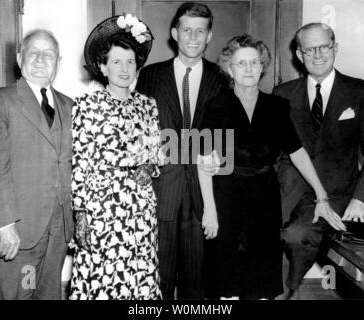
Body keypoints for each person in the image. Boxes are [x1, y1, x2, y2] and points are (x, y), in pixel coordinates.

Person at [197, 34, 341, 300]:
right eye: (241, 64)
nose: (249, 69)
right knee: (226, 277)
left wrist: (322, 196)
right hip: (225, 196)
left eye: (254, 62)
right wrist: (210, 211)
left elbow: (297, 153)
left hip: (264, 198)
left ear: (262, 66)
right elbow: (203, 163)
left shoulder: (277, 106)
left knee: (260, 279)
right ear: (230, 69)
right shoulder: (216, 107)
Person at [136, 2, 229, 299]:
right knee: (157, 276)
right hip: (161, 189)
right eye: (187, 30)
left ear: (209, 36)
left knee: (197, 279)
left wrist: (219, 155)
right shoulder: (149, 76)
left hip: (205, 193)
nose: (193, 37)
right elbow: (141, 135)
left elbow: (225, 137)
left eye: (200, 31)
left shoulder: (222, 78)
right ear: (175, 33)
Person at [273, 22, 364, 299]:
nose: (317, 54)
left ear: (335, 48)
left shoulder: (361, 92)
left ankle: (287, 293)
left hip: (338, 194)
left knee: (297, 235)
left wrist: (359, 199)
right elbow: (274, 152)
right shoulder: (282, 93)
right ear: (299, 55)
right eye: (309, 49)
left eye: (324, 47)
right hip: (288, 189)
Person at [70, 14, 162, 300]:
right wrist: (81, 214)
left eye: (130, 62)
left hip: (139, 210)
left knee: (139, 280)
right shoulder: (87, 105)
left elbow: (155, 153)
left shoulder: (148, 105)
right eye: (117, 61)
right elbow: (80, 162)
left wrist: (149, 167)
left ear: (137, 67)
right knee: (100, 280)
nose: (124, 68)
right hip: (101, 211)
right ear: (102, 66)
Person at [0, 29, 73, 299]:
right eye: (33, 53)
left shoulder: (69, 106)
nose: (40, 60)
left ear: (58, 63)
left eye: (48, 54)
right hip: (19, 232)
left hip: (57, 232)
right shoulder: (0, 101)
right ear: (19, 57)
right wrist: (4, 226)